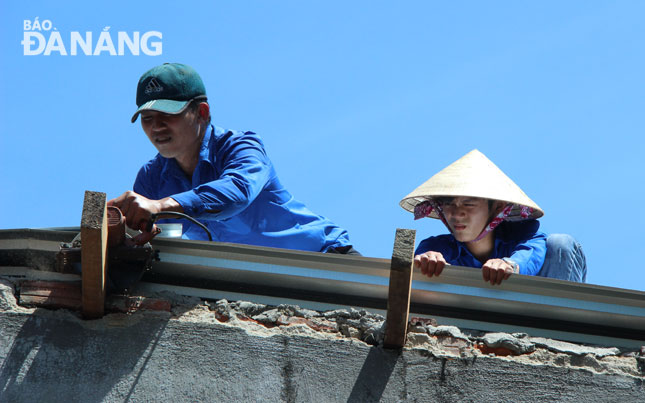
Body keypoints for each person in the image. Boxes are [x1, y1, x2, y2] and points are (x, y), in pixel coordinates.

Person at [108, 63, 358, 255]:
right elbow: (153, 240)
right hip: (252, 284)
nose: (156, 127)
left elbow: (237, 191)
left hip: (327, 261)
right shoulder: (151, 179)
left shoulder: (240, 146)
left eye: (167, 115)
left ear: (202, 113)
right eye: (147, 118)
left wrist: (161, 206)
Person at [399, 149, 586, 285]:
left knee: (561, 243)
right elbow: (424, 258)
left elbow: (530, 255)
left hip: (538, 312)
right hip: (477, 324)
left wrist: (509, 265)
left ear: (497, 208)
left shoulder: (527, 233)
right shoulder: (436, 247)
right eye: (448, 204)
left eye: (468, 204)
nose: (457, 213)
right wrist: (427, 260)